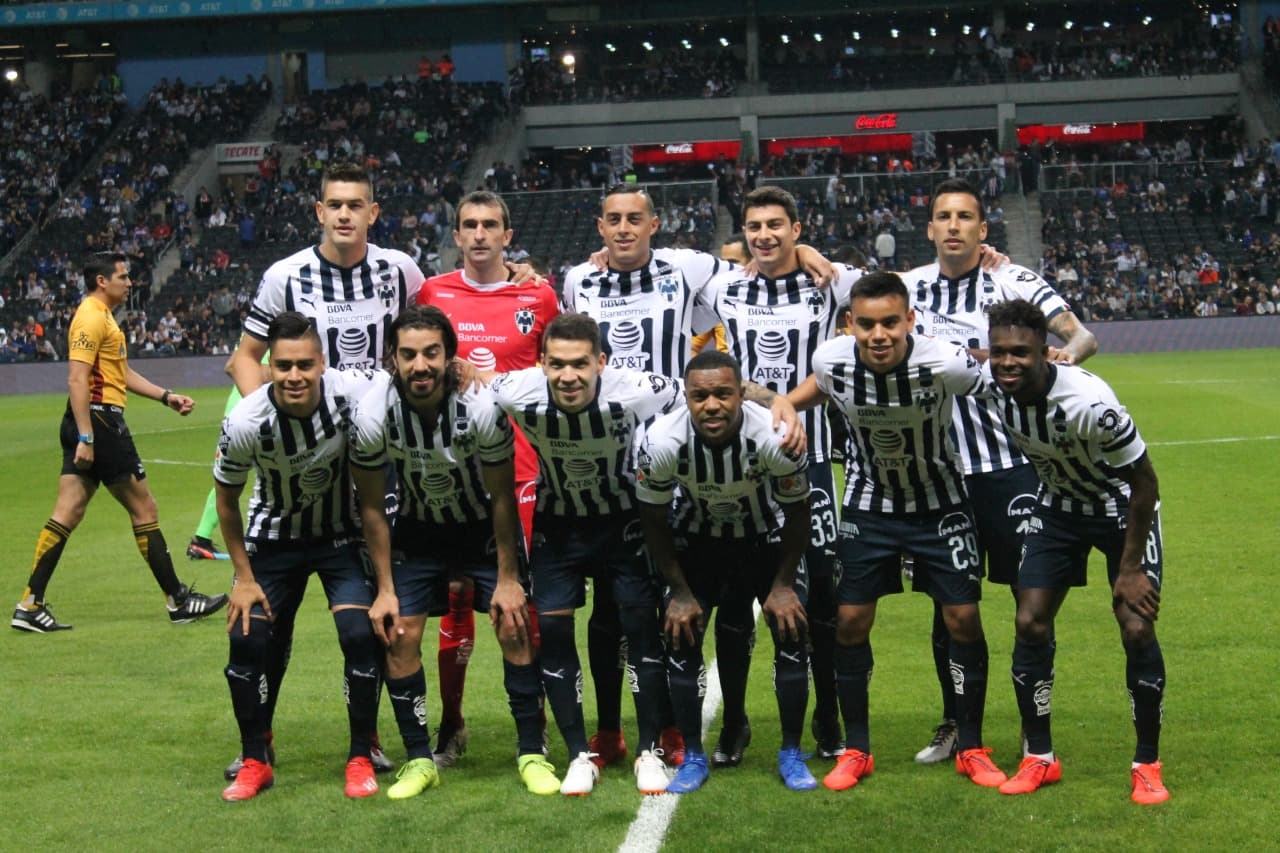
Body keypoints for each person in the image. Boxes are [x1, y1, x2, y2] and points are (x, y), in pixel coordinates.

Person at [563, 185, 835, 773]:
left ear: (655, 223)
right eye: (613, 219)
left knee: (712, 600)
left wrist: (804, 246)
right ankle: (619, 729)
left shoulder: (687, 268)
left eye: (635, 218)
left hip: (694, 447)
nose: (625, 228)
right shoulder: (576, 281)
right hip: (611, 462)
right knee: (620, 608)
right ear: (599, 226)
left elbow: (759, 256)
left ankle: (687, 729)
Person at [488, 313, 800, 796]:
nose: (568, 375)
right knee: (552, 629)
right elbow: (476, 384)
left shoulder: (637, 387)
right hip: (558, 524)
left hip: (624, 523)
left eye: (580, 364)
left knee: (640, 630)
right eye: (557, 365)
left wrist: (778, 399)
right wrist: (463, 370)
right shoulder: (515, 390)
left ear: (602, 363)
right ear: (540, 364)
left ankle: (649, 749)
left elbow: (705, 390)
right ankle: (578, 754)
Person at [222, 161, 426, 779]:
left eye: (355, 204)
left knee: (367, 621)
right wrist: (284, 420)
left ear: (373, 211)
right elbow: (245, 356)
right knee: (268, 632)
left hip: (374, 462)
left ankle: (368, 741)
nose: (344, 214)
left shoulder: (401, 270)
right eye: (333, 204)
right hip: (303, 460)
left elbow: (430, 330)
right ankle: (260, 739)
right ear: (319, 211)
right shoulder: (286, 275)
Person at [787, 271, 1007, 793]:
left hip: (941, 500)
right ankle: (857, 750)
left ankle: (972, 745)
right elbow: (821, 385)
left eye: (891, 322)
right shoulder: (831, 359)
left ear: (910, 320)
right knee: (850, 621)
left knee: (963, 618)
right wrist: (784, 401)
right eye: (867, 324)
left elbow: (997, 386)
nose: (879, 334)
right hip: (869, 504)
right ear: (849, 325)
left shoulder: (943, 361)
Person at [904, 177, 1098, 764]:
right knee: (951, 606)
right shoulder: (909, 288)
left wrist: (1064, 356)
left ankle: (1030, 726)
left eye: (966, 216)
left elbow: (1081, 334)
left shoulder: (1012, 280)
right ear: (931, 228)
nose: (955, 225)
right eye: (945, 216)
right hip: (940, 474)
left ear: (983, 229)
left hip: (1012, 470)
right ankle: (956, 724)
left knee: (1028, 602)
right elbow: (841, 291)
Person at [350, 306, 552, 797]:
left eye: (432, 354)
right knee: (398, 634)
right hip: (418, 530)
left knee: (514, 623)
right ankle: (419, 760)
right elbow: (373, 508)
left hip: (480, 528)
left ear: (450, 356)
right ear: (392, 359)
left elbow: (503, 496)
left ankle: (531, 751)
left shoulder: (481, 406)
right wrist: (385, 589)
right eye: (409, 355)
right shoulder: (373, 413)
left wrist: (507, 577)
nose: (421, 365)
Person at [701, 186, 866, 773]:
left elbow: (893, 289)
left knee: (820, 598)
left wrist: (819, 255)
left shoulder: (831, 283)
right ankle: (737, 721)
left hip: (814, 458)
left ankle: (826, 717)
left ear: (797, 227)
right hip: (743, 467)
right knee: (733, 601)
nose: (764, 236)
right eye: (754, 226)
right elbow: (674, 295)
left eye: (776, 225)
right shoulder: (724, 286)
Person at [984, 299, 1169, 805]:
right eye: (999, 352)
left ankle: (1146, 764)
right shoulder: (991, 388)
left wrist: (1129, 570)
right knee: (1030, 622)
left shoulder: (1090, 403)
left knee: (1135, 623)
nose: (1007, 363)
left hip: (1120, 509)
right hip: (1057, 508)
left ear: (1046, 352)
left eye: (1020, 353)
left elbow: (1146, 485)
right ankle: (1039, 758)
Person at [415, 190, 559, 767]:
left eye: (490, 225)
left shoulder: (537, 293)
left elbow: (559, 366)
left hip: (521, 471)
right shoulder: (431, 293)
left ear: (507, 233)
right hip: (451, 473)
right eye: (469, 224)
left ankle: (537, 724)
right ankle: (451, 726)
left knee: (517, 603)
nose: (479, 234)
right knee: (453, 601)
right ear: (456, 234)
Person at [215, 312, 383, 802]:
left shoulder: (352, 392)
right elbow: (226, 500)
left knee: (358, 633)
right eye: (283, 365)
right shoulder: (247, 420)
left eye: (304, 365)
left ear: (323, 363)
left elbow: (407, 375)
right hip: (273, 538)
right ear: (269, 367)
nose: (293, 375)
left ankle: (359, 756)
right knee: (249, 639)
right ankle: (255, 758)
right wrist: (243, 578)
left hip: (340, 535)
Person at [11, 253, 226, 633]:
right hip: (99, 420)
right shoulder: (91, 317)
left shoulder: (104, 317)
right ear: (101, 281)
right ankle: (178, 600)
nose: (130, 283)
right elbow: (78, 380)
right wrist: (86, 436)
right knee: (145, 508)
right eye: (123, 277)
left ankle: (29, 605)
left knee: (69, 509)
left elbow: (119, 372)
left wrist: (165, 396)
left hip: (91, 419)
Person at [636, 351, 812, 793]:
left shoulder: (773, 436)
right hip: (698, 540)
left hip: (765, 538)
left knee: (791, 631)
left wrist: (784, 585)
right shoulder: (662, 441)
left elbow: (797, 513)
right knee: (681, 634)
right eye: (699, 396)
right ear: (687, 397)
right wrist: (678, 591)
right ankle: (693, 753)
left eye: (722, 394)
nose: (711, 405)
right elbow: (653, 520)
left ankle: (791, 751)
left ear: (740, 394)